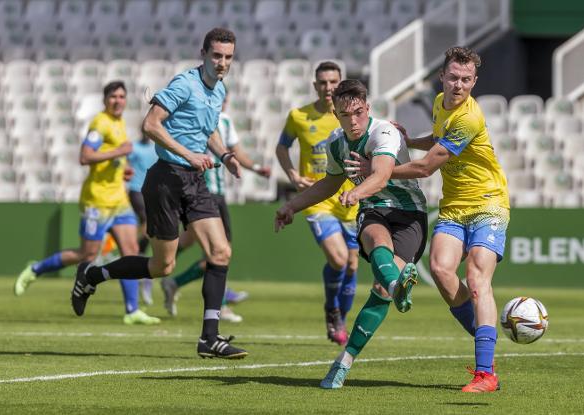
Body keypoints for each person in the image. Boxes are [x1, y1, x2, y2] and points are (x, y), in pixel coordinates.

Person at [69, 28, 249, 360]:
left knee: (221, 252)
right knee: (162, 266)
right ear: (204, 54)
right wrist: (189, 155)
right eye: (217, 56)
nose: (222, 63)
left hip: (195, 182)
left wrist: (225, 156)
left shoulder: (219, 89)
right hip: (165, 180)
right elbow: (152, 124)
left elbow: (206, 131)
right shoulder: (184, 84)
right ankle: (92, 273)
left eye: (228, 57)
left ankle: (209, 338)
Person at [347, 47, 510, 393]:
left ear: (474, 81)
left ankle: (485, 374)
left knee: (477, 276)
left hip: (488, 202)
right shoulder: (439, 103)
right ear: (442, 77)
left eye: (466, 80)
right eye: (453, 77)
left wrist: (377, 170)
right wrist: (408, 140)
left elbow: (425, 167)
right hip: (453, 205)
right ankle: (487, 352)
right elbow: (436, 142)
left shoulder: (469, 117)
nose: (458, 85)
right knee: (440, 269)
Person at [275, 79, 428, 389]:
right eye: (346, 115)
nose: (354, 121)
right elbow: (329, 183)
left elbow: (383, 173)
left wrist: (357, 191)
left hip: (410, 214)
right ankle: (343, 364)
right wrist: (292, 205)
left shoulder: (384, 132)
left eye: (359, 113)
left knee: (381, 293)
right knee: (375, 240)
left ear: (367, 109)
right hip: (374, 210)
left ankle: (392, 289)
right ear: (337, 114)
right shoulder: (336, 143)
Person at [14, 81, 160, 325]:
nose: (118, 101)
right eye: (113, 96)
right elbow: (85, 156)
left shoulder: (119, 123)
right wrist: (118, 153)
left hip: (119, 200)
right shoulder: (99, 123)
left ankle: (132, 310)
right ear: (105, 100)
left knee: (131, 252)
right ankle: (35, 270)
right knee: (87, 254)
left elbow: (112, 157)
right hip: (97, 201)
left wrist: (123, 169)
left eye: (122, 97)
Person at [160, 94, 271, 320]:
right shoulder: (194, 116)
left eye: (224, 98)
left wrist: (256, 168)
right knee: (218, 252)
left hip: (218, 194)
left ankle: (169, 277)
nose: (222, 102)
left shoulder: (226, 121)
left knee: (208, 247)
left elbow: (236, 153)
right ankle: (218, 305)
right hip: (200, 191)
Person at [275, 61, 359, 346]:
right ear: (315, 85)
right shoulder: (299, 116)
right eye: (323, 82)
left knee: (352, 265)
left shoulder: (349, 117)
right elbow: (282, 146)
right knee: (338, 259)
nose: (328, 88)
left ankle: (340, 319)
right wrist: (292, 175)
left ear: (340, 83)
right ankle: (332, 310)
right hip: (318, 199)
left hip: (349, 199)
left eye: (333, 82)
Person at [127, 135, 158, 305]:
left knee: (152, 229)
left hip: (150, 191)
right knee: (148, 223)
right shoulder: (134, 147)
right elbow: (124, 164)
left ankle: (140, 257)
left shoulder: (156, 148)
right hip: (135, 190)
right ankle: (136, 251)